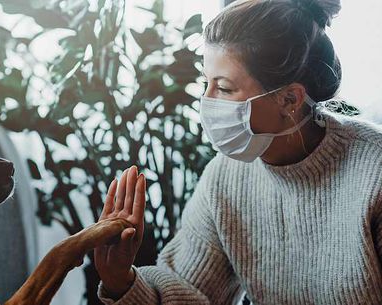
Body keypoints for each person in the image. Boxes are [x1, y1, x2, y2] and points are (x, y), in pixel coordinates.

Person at [93, 0, 382, 304]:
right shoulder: (225, 177)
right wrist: (120, 282)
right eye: (207, 83)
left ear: (289, 100)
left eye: (225, 88)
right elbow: (190, 290)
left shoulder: (374, 172)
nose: (206, 101)